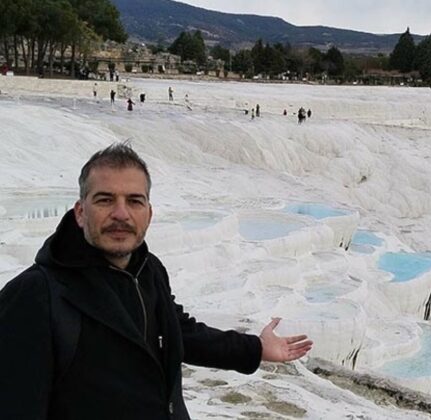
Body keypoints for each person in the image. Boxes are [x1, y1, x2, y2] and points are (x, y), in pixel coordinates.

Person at [0, 143, 312, 419]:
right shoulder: (35, 295)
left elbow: (180, 332)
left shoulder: (148, 270)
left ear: (149, 213)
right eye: (105, 200)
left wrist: (255, 348)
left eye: (134, 201)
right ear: (81, 212)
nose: (121, 214)